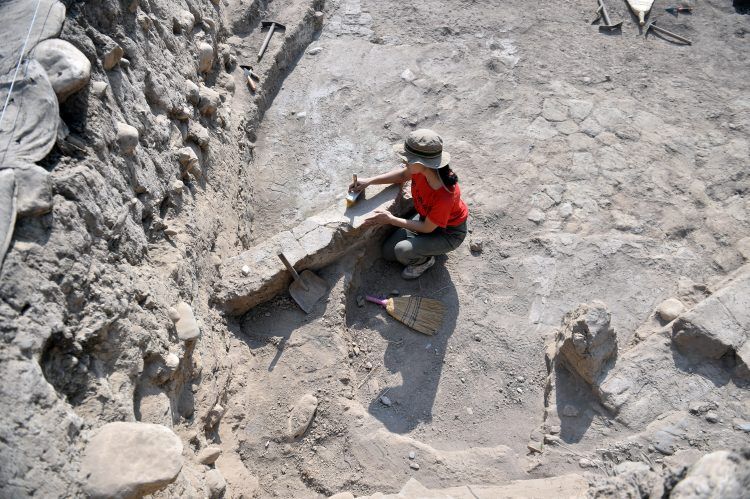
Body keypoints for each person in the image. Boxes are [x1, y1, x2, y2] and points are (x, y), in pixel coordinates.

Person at [350, 129, 469, 279]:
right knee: (388, 252)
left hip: (448, 233)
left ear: (421, 163)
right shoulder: (424, 171)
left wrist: (391, 219)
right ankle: (425, 248)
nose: (404, 161)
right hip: (426, 219)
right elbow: (401, 175)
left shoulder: (444, 196)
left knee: (401, 251)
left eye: (408, 159)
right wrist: (369, 181)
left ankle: (425, 261)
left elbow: (427, 228)